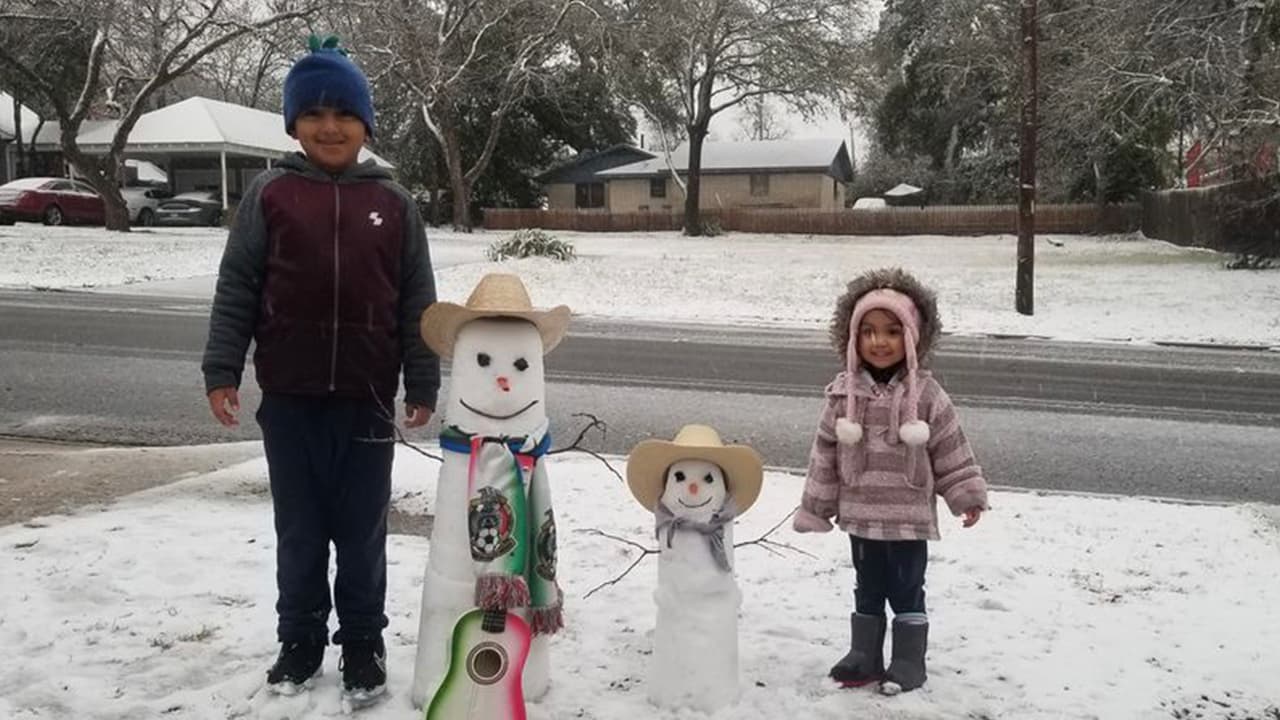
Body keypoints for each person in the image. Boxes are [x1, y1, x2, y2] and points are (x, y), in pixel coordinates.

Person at [200, 34, 439, 705]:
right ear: (293, 123)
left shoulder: (394, 203)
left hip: (365, 399)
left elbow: (417, 297)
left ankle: (363, 639)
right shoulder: (271, 195)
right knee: (300, 529)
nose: (329, 127)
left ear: (365, 124)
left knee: (362, 531)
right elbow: (238, 286)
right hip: (291, 398)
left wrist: (421, 379)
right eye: (314, 114)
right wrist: (223, 368)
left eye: (344, 114)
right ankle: (300, 637)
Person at [793, 267, 988, 696]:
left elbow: (951, 449)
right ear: (852, 338)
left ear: (913, 337)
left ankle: (907, 660)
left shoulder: (928, 397)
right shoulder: (843, 395)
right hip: (861, 516)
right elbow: (825, 453)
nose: (879, 342)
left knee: (906, 588)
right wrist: (816, 507)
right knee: (867, 586)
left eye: (892, 331)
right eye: (868, 332)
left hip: (907, 518)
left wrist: (965, 495)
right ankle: (864, 654)